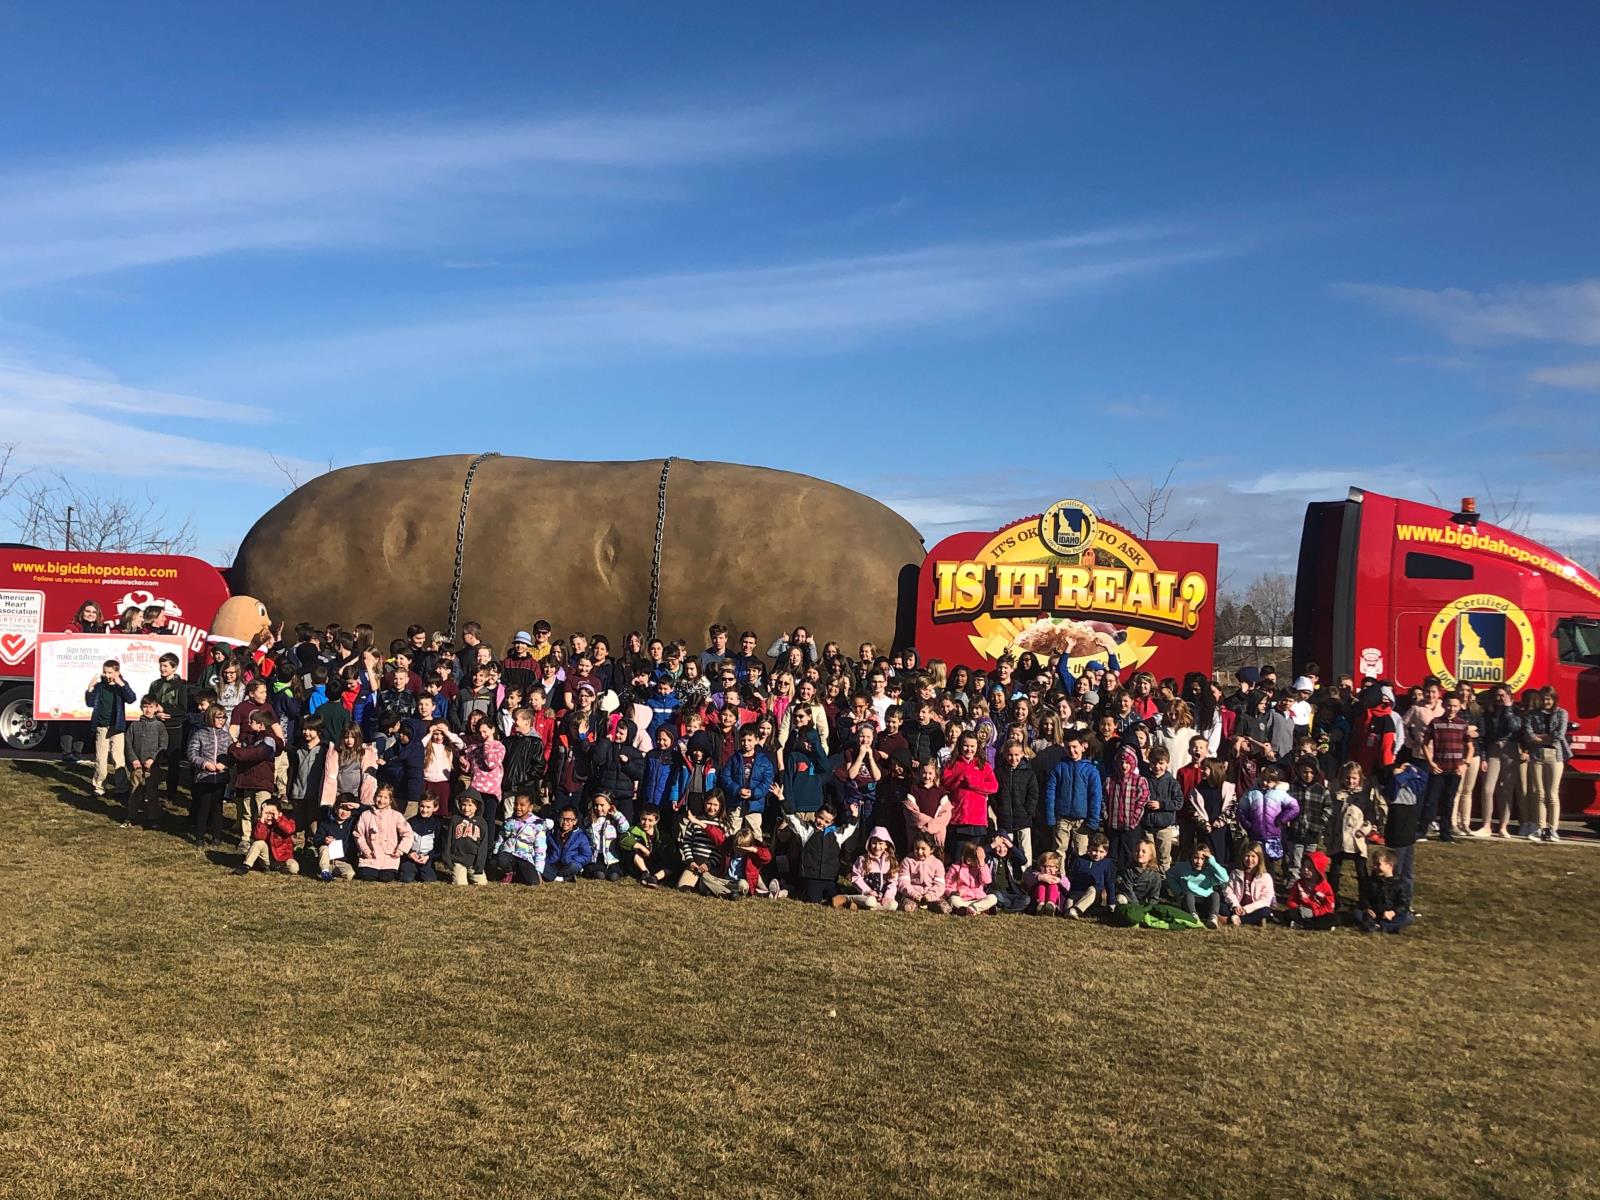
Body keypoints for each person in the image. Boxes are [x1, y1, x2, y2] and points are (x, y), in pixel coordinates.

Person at [785, 799, 859, 903]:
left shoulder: (837, 834)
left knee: (837, 900)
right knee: (813, 901)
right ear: (815, 815)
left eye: (827, 821)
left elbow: (850, 828)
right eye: (820, 818)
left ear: (831, 822)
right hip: (812, 877)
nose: (822, 822)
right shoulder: (806, 830)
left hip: (830, 878)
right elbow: (792, 819)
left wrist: (855, 814)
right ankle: (795, 890)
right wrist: (781, 799)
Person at [1043, 732, 1102, 860]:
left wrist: (1093, 820)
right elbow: (1050, 793)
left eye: (1075, 747)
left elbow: (1095, 797)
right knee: (1059, 851)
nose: (1072, 750)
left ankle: (1079, 878)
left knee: (1081, 852)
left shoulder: (1091, 770)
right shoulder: (1059, 768)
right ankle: (1060, 878)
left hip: (1082, 820)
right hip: (1062, 818)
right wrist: (1050, 816)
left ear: (1083, 746)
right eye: (1068, 747)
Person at [86, 659, 137, 798]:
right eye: (105, 672)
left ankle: (122, 787)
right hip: (102, 726)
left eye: (110, 672)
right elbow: (90, 703)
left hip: (117, 727)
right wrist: (90, 687)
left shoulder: (121, 686)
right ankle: (99, 786)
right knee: (101, 759)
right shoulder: (100, 686)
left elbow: (132, 698)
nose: (107, 675)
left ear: (117, 672)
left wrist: (121, 684)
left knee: (118, 758)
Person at [941, 732, 996, 860]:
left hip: (977, 819)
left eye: (972, 746)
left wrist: (973, 783)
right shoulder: (952, 764)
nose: (969, 749)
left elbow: (993, 786)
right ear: (960, 745)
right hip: (958, 818)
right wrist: (959, 778)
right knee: (957, 858)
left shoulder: (984, 765)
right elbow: (945, 784)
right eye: (966, 746)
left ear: (977, 747)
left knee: (974, 858)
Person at [187, 703, 232, 847]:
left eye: (223, 718)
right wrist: (204, 764)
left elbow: (232, 755)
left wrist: (224, 765)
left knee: (218, 807)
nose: (221, 720)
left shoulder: (226, 736)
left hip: (220, 777)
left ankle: (216, 837)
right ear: (210, 717)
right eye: (218, 717)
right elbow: (191, 753)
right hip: (204, 776)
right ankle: (199, 837)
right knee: (204, 806)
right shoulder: (200, 734)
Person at [1101, 744, 1150, 872]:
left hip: (1131, 826)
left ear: (1133, 764)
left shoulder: (1139, 781)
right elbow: (1103, 799)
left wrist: (1134, 820)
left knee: (1130, 854)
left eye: (1127, 763)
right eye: (1121, 762)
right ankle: (1112, 881)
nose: (1124, 766)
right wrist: (1106, 815)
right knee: (1112, 854)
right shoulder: (1110, 780)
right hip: (1113, 825)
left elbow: (1142, 800)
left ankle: (1127, 881)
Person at [1282, 757, 1330, 884]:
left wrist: (1321, 823)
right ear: (1299, 771)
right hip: (1295, 832)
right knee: (1295, 863)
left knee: (1310, 864)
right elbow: (1285, 805)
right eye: (1305, 772)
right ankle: (1294, 888)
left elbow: (1328, 808)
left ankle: (1308, 888)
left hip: (1313, 833)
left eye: (1311, 772)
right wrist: (1286, 818)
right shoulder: (1292, 789)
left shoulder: (1321, 791)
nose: (1308, 775)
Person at [124, 695, 169, 830]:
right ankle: (131, 817)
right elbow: (128, 743)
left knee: (152, 791)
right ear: (141, 708)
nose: (148, 710)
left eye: (151, 707)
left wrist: (153, 759)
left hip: (152, 766)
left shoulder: (159, 726)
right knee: (134, 791)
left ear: (156, 708)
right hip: (136, 764)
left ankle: (153, 818)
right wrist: (133, 759)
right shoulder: (134, 725)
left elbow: (163, 745)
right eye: (145, 707)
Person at [352, 783, 412, 881]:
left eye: (385, 798)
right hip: (370, 856)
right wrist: (365, 850)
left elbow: (408, 834)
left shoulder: (396, 816)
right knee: (368, 877)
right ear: (375, 796)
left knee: (386, 878)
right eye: (379, 796)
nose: (381, 800)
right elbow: (359, 835)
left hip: (389, 857)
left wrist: (400, 850)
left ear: (390, 800)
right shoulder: (366, 815)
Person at [833, 827, 899, 910]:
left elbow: (893, 882)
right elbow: (856, 878)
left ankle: (861, 905)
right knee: (870, 901)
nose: (877, 846)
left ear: (886, 845)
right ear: (869, 843)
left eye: (880, 843)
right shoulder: (863, 859)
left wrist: (888, 896)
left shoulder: (890, 862)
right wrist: (867, 891)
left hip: (882, 897)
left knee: (893, 905)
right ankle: (848, 898)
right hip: (866, 895)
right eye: (874, 843)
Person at [1166, 844, 1230, 928]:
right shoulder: (1182, 867)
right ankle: (1193, 917)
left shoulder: (1210, 870)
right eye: (1196, 858)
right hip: (1188, 903)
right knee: (1188, 895)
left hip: (1205, 901)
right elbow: (1170, 874)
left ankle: (1213, 917)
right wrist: (1177, 892)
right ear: (1191, 857)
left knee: (1215, 895)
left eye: (1202, 859)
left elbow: (1225, 879)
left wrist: (1212, 861)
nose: (1199, 862)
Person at [1143, 745, 1183, 872]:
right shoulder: (1145, 780)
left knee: (1164, 857)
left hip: (1164, 826)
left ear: (1167, 763)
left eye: (1161, 763)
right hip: (1147, 826)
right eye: (1154, 763)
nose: (1157, 767)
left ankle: (1165, 883)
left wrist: (1161, 805)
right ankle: (1149, 883)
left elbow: (1178, 802)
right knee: (1149, 857)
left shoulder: (1172, 782)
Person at [494, 793, 547, 885]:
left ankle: (518, 874)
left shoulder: (538, 824)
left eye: (522, 805)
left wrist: (538, 870)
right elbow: (501, 838)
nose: (518, 807)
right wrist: (495, 853)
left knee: (533, 882)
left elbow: (540, 849)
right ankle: (508, 873)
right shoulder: (509, 821)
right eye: (516, 804)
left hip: (525, 857)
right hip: (508, 853)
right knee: (502, 859)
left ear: (530, 807)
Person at [442, 789, 492, 886]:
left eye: (470, 805)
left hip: (473, 861)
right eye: (464, 804)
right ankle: (459, 873)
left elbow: (483, 845)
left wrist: (480, 864)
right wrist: (447, 859)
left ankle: (472, 873)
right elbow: (448, 840)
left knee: (482, 883)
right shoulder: (455, 819)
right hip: (458, 859)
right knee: (460, 884)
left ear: (477, 806)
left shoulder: (482, 823)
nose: (466, 808)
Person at [235, 801, 300, 875]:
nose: (269, 816)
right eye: (266, 813)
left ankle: (281, 869)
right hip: (267, 858)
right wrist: (262, 820)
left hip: (283, 859)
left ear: (279, 814)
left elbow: (289, 830)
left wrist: (277, 820)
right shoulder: (261, 823)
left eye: (272, 813)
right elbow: (259, 837)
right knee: (259, 843)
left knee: (294, 868)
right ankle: (246, 866)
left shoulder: (286, 821)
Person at [1278, 849, 1337, 930]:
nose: (1306, 870)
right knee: (1289, 913)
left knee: (1331, 918)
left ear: (1318, 870)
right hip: (1302, 911)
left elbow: (1329, 906)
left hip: (1319, 914)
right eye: (1304, 867)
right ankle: (1311, 925)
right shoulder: (1299, 883)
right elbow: (1291, 900)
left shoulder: (1325, 887)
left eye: (1310, 868)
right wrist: (1299, 908)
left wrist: (1315, 912)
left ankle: (1304, 925)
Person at [1359, 848, 1413, 933]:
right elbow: (1364, 896)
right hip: (1375, 912)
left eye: (1378, 864)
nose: (1375, 867)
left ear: (1389, 866)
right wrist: (1367, 908)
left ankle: (1380, 927)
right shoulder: (1372, 881)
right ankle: (1375, 924)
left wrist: (1393, 912)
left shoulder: (1400, 883)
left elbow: (1404, 903)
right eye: (1374, 864)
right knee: (1357, 913)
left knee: (1408, 918)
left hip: (1390, 914)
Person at [1062, 831, 1115, 919]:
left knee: (1092, 889)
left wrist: (1111, 903)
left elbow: (1110, 883)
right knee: (1067, 907)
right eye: (1094, 850)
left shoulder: (1107, 864)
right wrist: (1069, 895)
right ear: (1088, 849)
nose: (1097, 854)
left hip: (1094, 895)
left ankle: (1076, 910)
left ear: (1106, 852)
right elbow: (1071, 879)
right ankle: (1080, 911)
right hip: (1077, 893)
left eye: (1101, 852)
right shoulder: (1079, 860)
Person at [1222, 842, 1275, 926]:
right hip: (1237, 905)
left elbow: (1265, 899)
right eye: (1247, 856)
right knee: (1221, 906)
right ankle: (1251, 919)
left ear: (1259, 858)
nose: (1250, 859)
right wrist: (1235, 905)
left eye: (1253, 856)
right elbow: (1228, 890)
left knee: (1266, 911)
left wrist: (1246, 909)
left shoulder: (1265, 877)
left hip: (1253, 908)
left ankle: (1239, 920)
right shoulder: (1235, 873)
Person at [895, 834, 948, 913]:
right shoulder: (907, 861)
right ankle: (914, 904)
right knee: (908, 907)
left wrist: (930, 895)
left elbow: (939, 885)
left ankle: (930, 904)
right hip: (911, 895)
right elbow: (903, 882)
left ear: (932, 849)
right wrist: (913, 894)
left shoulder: (937, 863)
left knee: (944, 909)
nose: (919, 852)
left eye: (923, 849)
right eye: (916, 848)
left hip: (931, 895)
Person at [582, 793, 630, 881]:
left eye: (602, 805)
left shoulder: (613, 820)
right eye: (596, 805)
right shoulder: (589, 820)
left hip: (610, 857)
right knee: (600, 875)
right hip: (596, 856)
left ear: (609, 806)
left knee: (613, 877)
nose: (599, 808)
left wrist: (617, 815)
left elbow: (624, 828)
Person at [315, 794, 361, 882]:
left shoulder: (353, 822)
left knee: (350, 874)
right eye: (342, 808)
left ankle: (331, 876)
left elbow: (367, 811)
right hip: (327, 860)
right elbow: (316, 840)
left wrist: (357, 805)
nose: (344, 812)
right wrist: (324, 840)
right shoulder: (327, 823)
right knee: (323, 847)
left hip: (342, 862)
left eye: (348, 810)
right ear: (336, 808)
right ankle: (324, 871)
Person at [400, 793, 445, 882]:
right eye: (422, 806)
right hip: (411, 856)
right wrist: (410, 853)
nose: (424, 810)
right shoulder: (411, 822)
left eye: (428, 807)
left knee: (429, 879)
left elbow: (438, 846)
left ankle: (424, 870)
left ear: (435, 808)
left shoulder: (437, 824)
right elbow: (403, 840)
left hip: (426, 857)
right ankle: (409, 870)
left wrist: (429, 856)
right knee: (406, 878)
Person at [542, 806, 593, 882]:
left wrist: (572, 860)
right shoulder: (551, 833)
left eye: (569, 820)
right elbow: (543, 848)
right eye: (562, 819)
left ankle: (552, 876)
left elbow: (587, 856)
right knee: (540, 865)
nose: (565, 822)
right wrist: (547, 859)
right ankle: (561, 878)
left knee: (575, 866)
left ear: (575, 821)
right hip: (552, 863)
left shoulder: (580, 836)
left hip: (569, 864)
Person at [944, 841, 997, 915]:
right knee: (953, 900)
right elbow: (948, 885)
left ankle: (971, 909)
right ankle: (980, 909)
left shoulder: (981, 867)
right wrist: (952, 892)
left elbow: (987, 881)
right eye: (978, 860)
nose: (980, 862)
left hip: (979, 899)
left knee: (993, 898)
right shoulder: (955, 868)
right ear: (969, 860)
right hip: (963, 899)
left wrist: (982, 864)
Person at [1114, 837, 1165, 911]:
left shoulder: (1155, 875)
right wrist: (1136, 906)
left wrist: (1149, 908)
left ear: (1150, 856)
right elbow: (1128, 890)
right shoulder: (1128, 870)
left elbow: (1154, 897)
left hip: (1143, 903)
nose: (1140, 853)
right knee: (1120, 899)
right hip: (1129, 900)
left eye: (1144, 852)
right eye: (1137, 851)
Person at [1026, 849, 1066, 916]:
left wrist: (1059, 881)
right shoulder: (1036, 874)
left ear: (1056, 868)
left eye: (1050, 866)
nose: (1047, 869)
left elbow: (1067, 886)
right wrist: (1039, 878)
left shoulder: (1059, 876)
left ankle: (1051, 905)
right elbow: (1028, 881)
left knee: (1052, 886)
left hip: (1055, 902)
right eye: (1044, 866)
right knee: (1041, 886)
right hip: (1037, 900)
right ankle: (1040, 906)